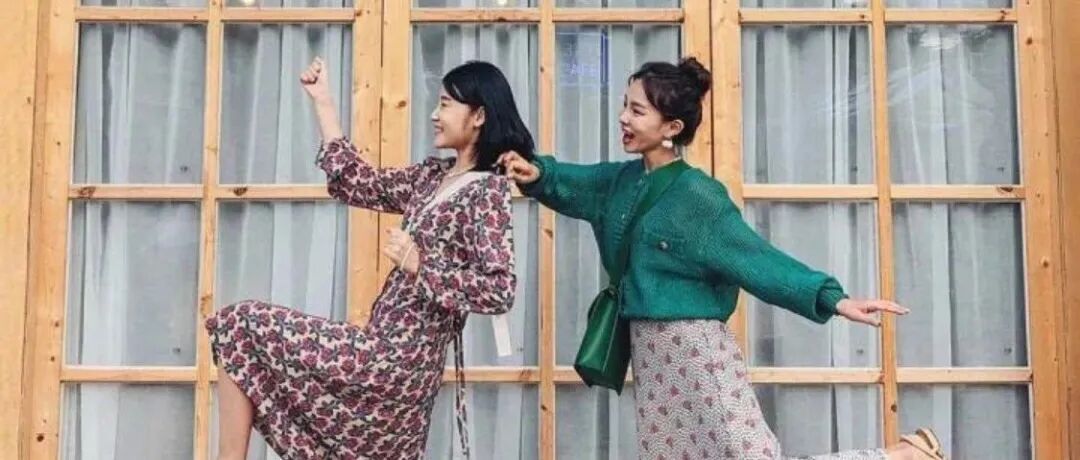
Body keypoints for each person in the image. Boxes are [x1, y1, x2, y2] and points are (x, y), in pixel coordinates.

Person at [497, 57, 946, 460]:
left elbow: (758, 260)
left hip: (696, 350)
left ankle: (903, 456)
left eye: (637, 110)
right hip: (651, 353)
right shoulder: (620, 181)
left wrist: (834, 299)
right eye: (624, 106)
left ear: (672, 127)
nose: (623, 118)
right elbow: (571, 182)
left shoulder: (698, 196)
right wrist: (535, 172)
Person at [205, 57, 533, 459]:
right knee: (238, 329)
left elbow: (499, 290)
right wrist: (323, 102)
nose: (434, 114)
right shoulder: (431, 177)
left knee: (240, 323)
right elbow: (357, 183)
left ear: (479, 116)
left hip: (398, 365)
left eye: (446, 104)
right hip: (379, 348)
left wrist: (421, 265)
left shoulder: (487, 192)